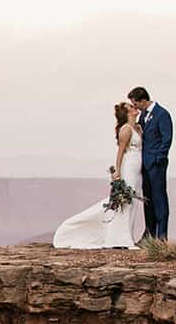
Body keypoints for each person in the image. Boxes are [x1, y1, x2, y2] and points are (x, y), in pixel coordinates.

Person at [52, 102, 146, 249]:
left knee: (132, 201)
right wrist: (118, 171)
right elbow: (121, 151)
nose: (135, 108)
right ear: (127, 114)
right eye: (131, 108)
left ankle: (125, 235)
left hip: (137, 169)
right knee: (125, 201)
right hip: (129, 167)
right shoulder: (126, 129)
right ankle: (121, 238)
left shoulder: (138, 128)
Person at [128, 86, 172, 239]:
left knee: (159, 198)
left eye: (135, 103)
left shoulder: (162, 114)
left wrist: (158, 159)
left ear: (143, 100)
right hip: (144, 165)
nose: (135, 107)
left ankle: (162, 235)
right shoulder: (143, 116)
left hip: (156, 165)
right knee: (148, 200)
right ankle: (149, 233)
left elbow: (166, 139)